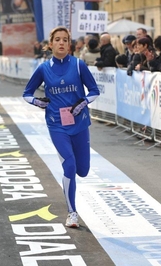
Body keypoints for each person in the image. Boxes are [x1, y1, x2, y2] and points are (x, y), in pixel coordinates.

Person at [22, 26, 100, 228]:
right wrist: (39, 102)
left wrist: (82, 103)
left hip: (80, 123)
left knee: (82, 170)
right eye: (57, 39)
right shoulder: (43, 68)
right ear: (51, 44)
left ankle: (73, 195)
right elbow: (27, 93)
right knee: (70, 165)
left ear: (70, 43)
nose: (61, 43)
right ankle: (72, 212)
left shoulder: (78, 65)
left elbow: (94, 90)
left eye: (65, 39)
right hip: (57, 125)